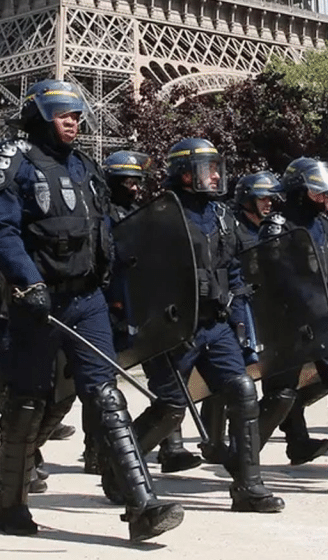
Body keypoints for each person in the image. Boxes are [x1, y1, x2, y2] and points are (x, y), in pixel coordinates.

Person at [0, 79, 184, 542]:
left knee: (106, 394)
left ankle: (141, 505)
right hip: (36, 302)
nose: (74, 121)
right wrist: (28, 282)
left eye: (76, 114)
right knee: (29, 404)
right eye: (63, 114)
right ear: (40, 116)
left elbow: (106, 231)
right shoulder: (12, 160)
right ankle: (10, 504)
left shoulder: (86, 166)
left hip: (85, 297)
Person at [133, 138, 284, 513]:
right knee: (170, 407)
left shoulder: (221, 215)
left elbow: (232, 269)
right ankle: (118, 467)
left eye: (217, 167)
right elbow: (138, 275)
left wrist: (237, 317)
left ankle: (248, 487)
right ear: (185, 173)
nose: (216, 174)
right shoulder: (160, 214)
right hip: (175, 329)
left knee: (243, 391)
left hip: (214, 325)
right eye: (208, 168)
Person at [101, 150, 203, 477]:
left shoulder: (143, 215)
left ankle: (171, 448)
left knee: (171, 374)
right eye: (126, 182)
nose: (133, 188)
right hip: (112, 306)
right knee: (99, 383)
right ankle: (96, 451)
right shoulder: (102, 216)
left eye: (136, 182)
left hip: (145, 304)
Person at [262, 158, 328, 480]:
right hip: (289, 323)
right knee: (280, 398)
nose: (325, 195)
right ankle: (241, 462)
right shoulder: (278, 225)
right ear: (299, 190)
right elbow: (278, 276)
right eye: (317, 190)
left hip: (327, 321)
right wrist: (320, 302)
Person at [197, 171, 286, 464]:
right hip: (235, 306)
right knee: (227, 377)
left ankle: (288, 439)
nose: (269, 204)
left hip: (264, 309)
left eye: (272, 198)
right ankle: (212, 439)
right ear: (247, 198)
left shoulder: (275, 228)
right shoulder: (231, 226)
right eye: (263, 198)